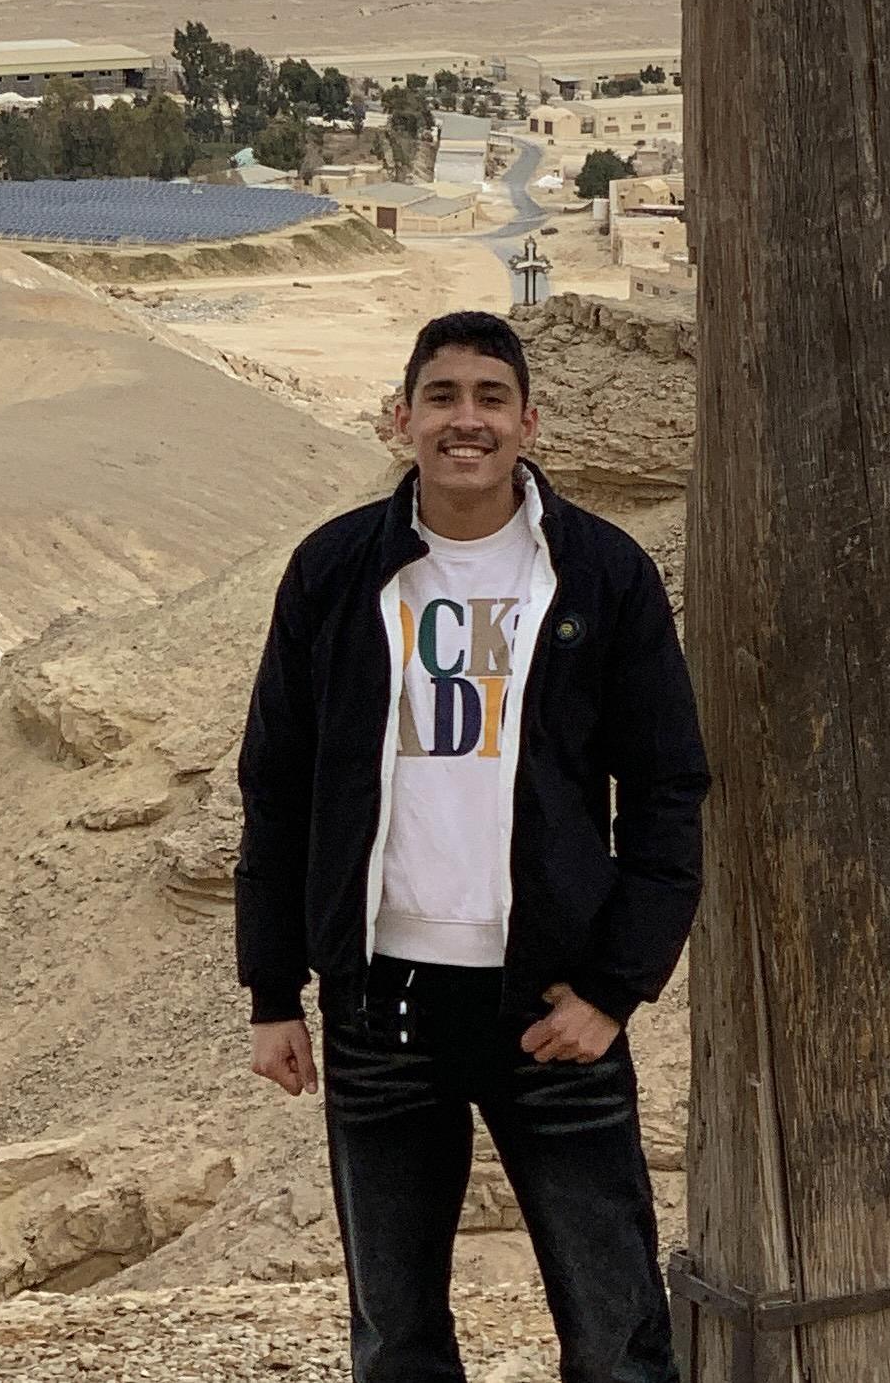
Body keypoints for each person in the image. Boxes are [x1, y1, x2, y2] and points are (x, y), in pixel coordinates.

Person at [239, 310, 708, 1383]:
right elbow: (277, 786)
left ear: (528, 421)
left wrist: (613, 987)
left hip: (552, 1006)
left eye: (491, 398)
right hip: (381, 1003)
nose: (467, 419)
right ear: (400, 417)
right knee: (396, 1338)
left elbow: (668, 786)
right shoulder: (334, 570)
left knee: (617, 1335)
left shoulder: (600, 572)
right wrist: (273, 990)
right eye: (442, 396)